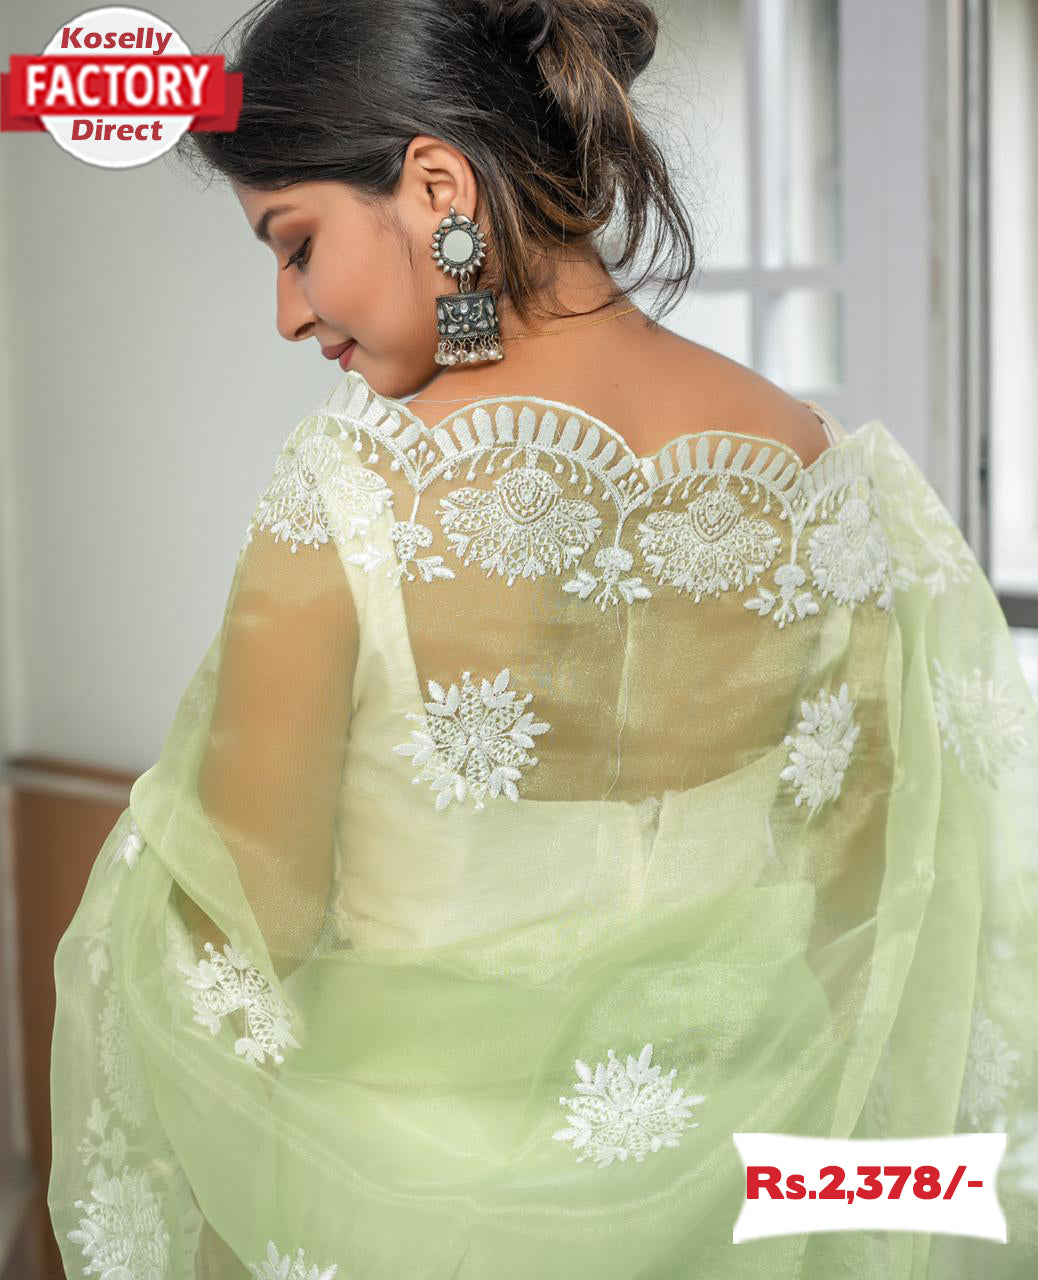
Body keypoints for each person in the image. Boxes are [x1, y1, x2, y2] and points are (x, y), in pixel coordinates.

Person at [47, 1, 1038, 1276]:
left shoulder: (355, 492)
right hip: (740, 1213)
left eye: (295, 244)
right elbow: (877, 912)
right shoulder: (820, 470)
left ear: (437, 186)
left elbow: (241, 928)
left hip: (415, 1217)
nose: (287, 312)